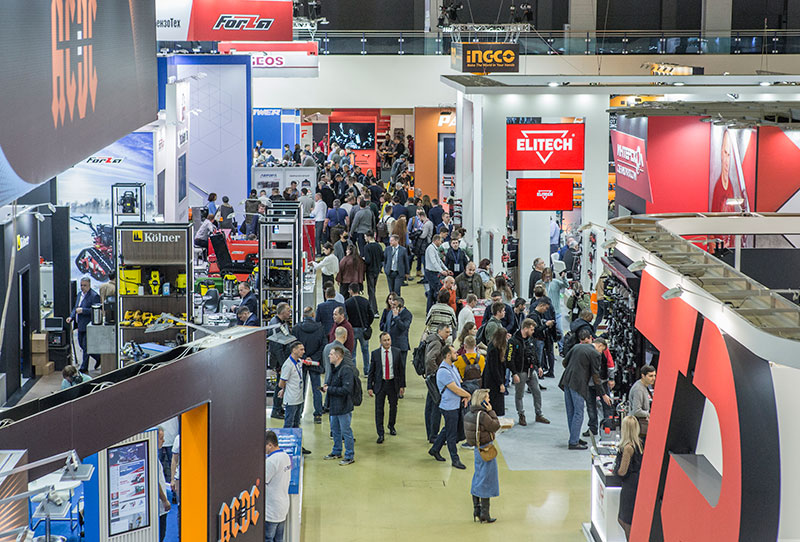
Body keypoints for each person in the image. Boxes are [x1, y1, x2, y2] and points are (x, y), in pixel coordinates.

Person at [558, 331, 609, 450]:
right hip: (578, 384)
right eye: (602, 350)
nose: (601, 353)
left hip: (566, 381)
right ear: (600, 345)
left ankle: (574, 436)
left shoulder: (577, 346)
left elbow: (564, 362)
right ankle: (573, 442)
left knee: (571, 412)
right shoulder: (595, 354)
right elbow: (596, 376)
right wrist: (603, 394)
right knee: (578, 412)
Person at [428, 345, 470, 469]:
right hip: (449, 407)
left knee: (448, 429)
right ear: (448, 355)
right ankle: (455, 460)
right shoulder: (443, 371)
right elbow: (455, 389)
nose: (457, 354)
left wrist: (464, 395)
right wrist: (468, 395)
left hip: (455, 404)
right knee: (451, 434)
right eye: (454, 353)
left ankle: (435, 449)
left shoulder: (452, 367)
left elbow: (459, 383)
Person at [464, 388, 501, 523]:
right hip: (487, 448)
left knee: (478, 476)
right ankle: (485, 513)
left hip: (477, 449)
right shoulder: (484, 416)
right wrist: (491, 411)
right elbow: (495, 426)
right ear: (483, 401)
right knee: (487, 479)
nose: (489, 400)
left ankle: (477, 509)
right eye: (487, 398)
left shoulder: (469, 415)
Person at [507, 318, 550, 426]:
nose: (533, 331)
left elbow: (534, 353)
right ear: (525, 328)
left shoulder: (530, 340)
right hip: (520, 372)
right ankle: (521, 415)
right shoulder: (513, 341)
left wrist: (539, 366)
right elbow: (509, 359)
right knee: (519, 394)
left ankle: (539, 414)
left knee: (537, 392)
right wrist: (514, 373)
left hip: (531, 370)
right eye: (531, 329)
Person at [367, 332, 406, 443]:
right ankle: (380, 433)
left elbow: (401, 370)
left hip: (393, 384)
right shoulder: (375, 354)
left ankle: (391, 425)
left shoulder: (397, 352)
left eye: (388, 340)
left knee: (393, 406)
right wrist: (370, 386)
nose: (387, 342)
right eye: (384, 340)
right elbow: (371, 371)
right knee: (379, 409)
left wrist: (402, 385)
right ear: (380, 342)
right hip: (380, 384)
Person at [292, 307, 327, 424]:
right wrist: (313, 358)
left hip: (300, 362)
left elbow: (293, 345)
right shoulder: (320, 328)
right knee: (317, 389)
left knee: (300, 389)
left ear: (303, 316)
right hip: (315, 363)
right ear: (313, 315)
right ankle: (318, 414)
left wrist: (304, 357)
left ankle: (298, 413)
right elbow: (323, 345)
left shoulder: (296, 328)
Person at [322, 346, 356, 465]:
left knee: (346, 431)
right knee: (335, 430)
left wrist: (330, 389)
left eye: (331, 354)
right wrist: (327, 386)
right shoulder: (334, 368)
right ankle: (337, 451)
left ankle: (349, 455)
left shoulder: (346, 370)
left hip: (343, 406)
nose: (329, 356)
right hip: (334, 406)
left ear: (337, 356)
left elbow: (346, 389)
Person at [615, 416, 644, 540]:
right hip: (636, 483)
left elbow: (622, 471)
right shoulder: (640, 444)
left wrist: (615, 469)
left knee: (625, 520)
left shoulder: (628, 448)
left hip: (630, 486)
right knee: (627, 520)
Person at [67, 276, 102, 373]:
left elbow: (96, 310)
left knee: (86, 347)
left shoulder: (94, 296)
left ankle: (84, 367)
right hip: (80, 325)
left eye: (85, 285)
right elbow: (75, 308)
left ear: (89, 285)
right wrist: (71, 317)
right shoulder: (79, 295)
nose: (82, 287)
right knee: (82, 345)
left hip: (88, 325)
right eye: (81, 285)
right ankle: (98, 357)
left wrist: (83, 310)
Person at [424, 323, 452, 442]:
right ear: (439, 331)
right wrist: (438, 372)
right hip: (434, 379)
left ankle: (431, 434)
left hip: (431, 377)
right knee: (435, 407)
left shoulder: (433, 340)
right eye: (446, 332)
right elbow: (430, 359)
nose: (448, 334)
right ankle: (433, 435)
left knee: (430, 405)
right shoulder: (437, 343)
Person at [265, 429, 292, 542]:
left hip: (271, 510)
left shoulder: (271, 461)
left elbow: (263, 481)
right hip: (282, 507)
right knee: (279, 539)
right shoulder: (285, 456)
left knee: (268, 538)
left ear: (270, 445)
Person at [380, 296, 412, 380]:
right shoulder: (390, 312)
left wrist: (396, 317)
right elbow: (387, 327)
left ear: (400, 307)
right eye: (392, 304)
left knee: (401, 369)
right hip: (389, 345)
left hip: (401, 346)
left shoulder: (407, 314)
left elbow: (404, 327)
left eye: (394, 305)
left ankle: (400, 386)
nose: (392, 306)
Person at [345, 283, 373, 376]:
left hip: (352, 329)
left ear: (351, 290)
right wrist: (367, 324)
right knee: (365, 350)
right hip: (363, 329)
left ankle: (354, 372)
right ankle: (367, 370)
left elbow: (345, 317)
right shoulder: (365, 301)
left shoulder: (347, 302)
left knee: (352, 352)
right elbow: (371, 315)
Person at [279, 342, 306, 433]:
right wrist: (284, 389)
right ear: (294, 350)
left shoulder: (299, 362)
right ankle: (286, 440)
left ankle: (296, 441)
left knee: (296, 424)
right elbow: (281, 383)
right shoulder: (288, 365)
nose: (303, 351)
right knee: (288, 423)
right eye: (301, 349)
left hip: (299, 398)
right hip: (291, 400)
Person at [483, 328, 507, 417]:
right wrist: (500, 383)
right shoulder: (494, 350)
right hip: (493, 381)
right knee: (495, 405)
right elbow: (495, 369)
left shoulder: (493, 346)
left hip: (491, 378)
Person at [629, 365, 656, 437]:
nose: (653, 378)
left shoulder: (644, 386)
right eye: (650, 376)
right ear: (643, 376)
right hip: (639, 428)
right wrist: (649, 415)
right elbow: (636, 411)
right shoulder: (639, 389)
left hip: (641, 427)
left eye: (654, 375)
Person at [424, 233, 448, 311]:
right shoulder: (430, 249)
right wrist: (441, 271)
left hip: (434, 273)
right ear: (436, 240)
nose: (441, 243)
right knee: (436, 291)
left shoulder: (435, 248)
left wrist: (446, 269)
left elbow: (439, 261)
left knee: (431, 292)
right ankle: (433, 309)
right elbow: (434, 262)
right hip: (431, 273)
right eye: (440, 241)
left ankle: (429, 309)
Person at [362, 231, 384, 316]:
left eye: (365, 237)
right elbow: (382, 258)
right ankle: (371, 308)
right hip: (377, 270)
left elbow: (368, 260)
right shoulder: (379, 246)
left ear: (368, 237)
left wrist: (363, 259)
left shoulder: (367, 247)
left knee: (371, 290)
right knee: (373, 289)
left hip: (370, 271)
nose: (364, 238)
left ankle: (374, 311)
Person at [156, 427, 171, 541]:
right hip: (159, 507)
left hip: (159, 506)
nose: (163, 441)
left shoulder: (155, 458)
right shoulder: (153, 461)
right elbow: (156, 483)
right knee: (160, 535)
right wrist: (165, 500)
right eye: (161, 438)